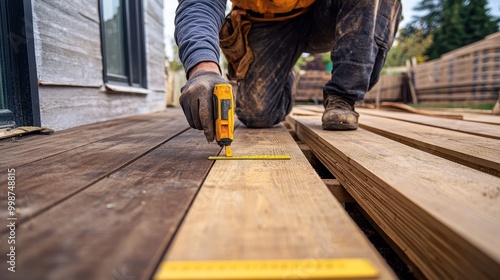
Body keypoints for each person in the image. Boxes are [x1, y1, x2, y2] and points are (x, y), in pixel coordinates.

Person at [175, 0, 402, 142]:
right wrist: (202, 67)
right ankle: (282, 75)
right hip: (267, 22)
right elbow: (199, 3)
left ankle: (342, 97)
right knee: (257, 115)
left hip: (324, 10)